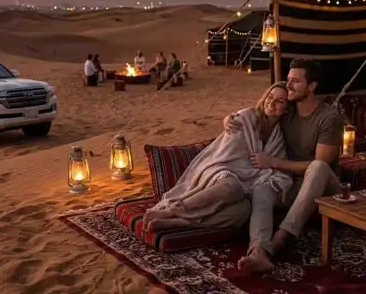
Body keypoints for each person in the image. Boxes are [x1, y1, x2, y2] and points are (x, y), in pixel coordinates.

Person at [142, 82, 292, 266]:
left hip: (247, 183)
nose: (272, 103)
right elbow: (228, 154)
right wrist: (227, 120)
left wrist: (266, 167)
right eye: (270, 97)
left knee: (243, 210)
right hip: (222, 168)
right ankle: (173, 210)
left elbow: (277, 170)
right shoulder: (246, 117)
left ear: (287, 109)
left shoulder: (278, 136)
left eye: (280, 101)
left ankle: (183, 222)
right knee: (232, 187)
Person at [224, 58, 344, 272]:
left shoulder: (329, 118)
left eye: (295, 81)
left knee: (317, 167)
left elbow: (321, 164)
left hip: (326, 189)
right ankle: (259, 251)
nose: (288, 85)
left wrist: (273, 162)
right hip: (290, 183)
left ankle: (280, 238)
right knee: (262, 188)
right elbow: (258, 113)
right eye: (288, 80)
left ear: (312, 86)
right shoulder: (287, 112)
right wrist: (230, 119)